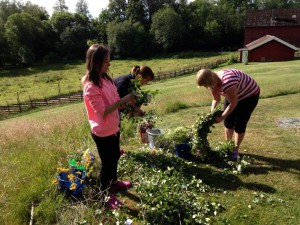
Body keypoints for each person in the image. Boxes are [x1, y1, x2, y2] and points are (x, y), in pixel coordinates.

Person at [82, 44, 134, 209]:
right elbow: (103, 111)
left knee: (115, 157)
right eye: (105, 62)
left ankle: (114, 183)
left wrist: (128, 105)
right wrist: (123, 101)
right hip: (102, 132)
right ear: (95, 62)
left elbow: (115, 101)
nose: (109, 64)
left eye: (108, 61)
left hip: (113, 128)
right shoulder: (91, 87)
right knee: (107, 163)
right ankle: (105, 194)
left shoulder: (107, 79)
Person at [196, 68, 260, 160]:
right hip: (233, 93)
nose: (206, 87)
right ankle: (228, 146)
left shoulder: (227, 82)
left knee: (240, 123)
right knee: (228, 122)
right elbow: (216, 99)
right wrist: (212, 113)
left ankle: (235, 150)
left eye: (206, 85)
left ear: (211, 80)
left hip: (249, 95)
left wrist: (222, 117)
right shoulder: (212, 84)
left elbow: (234, 103)